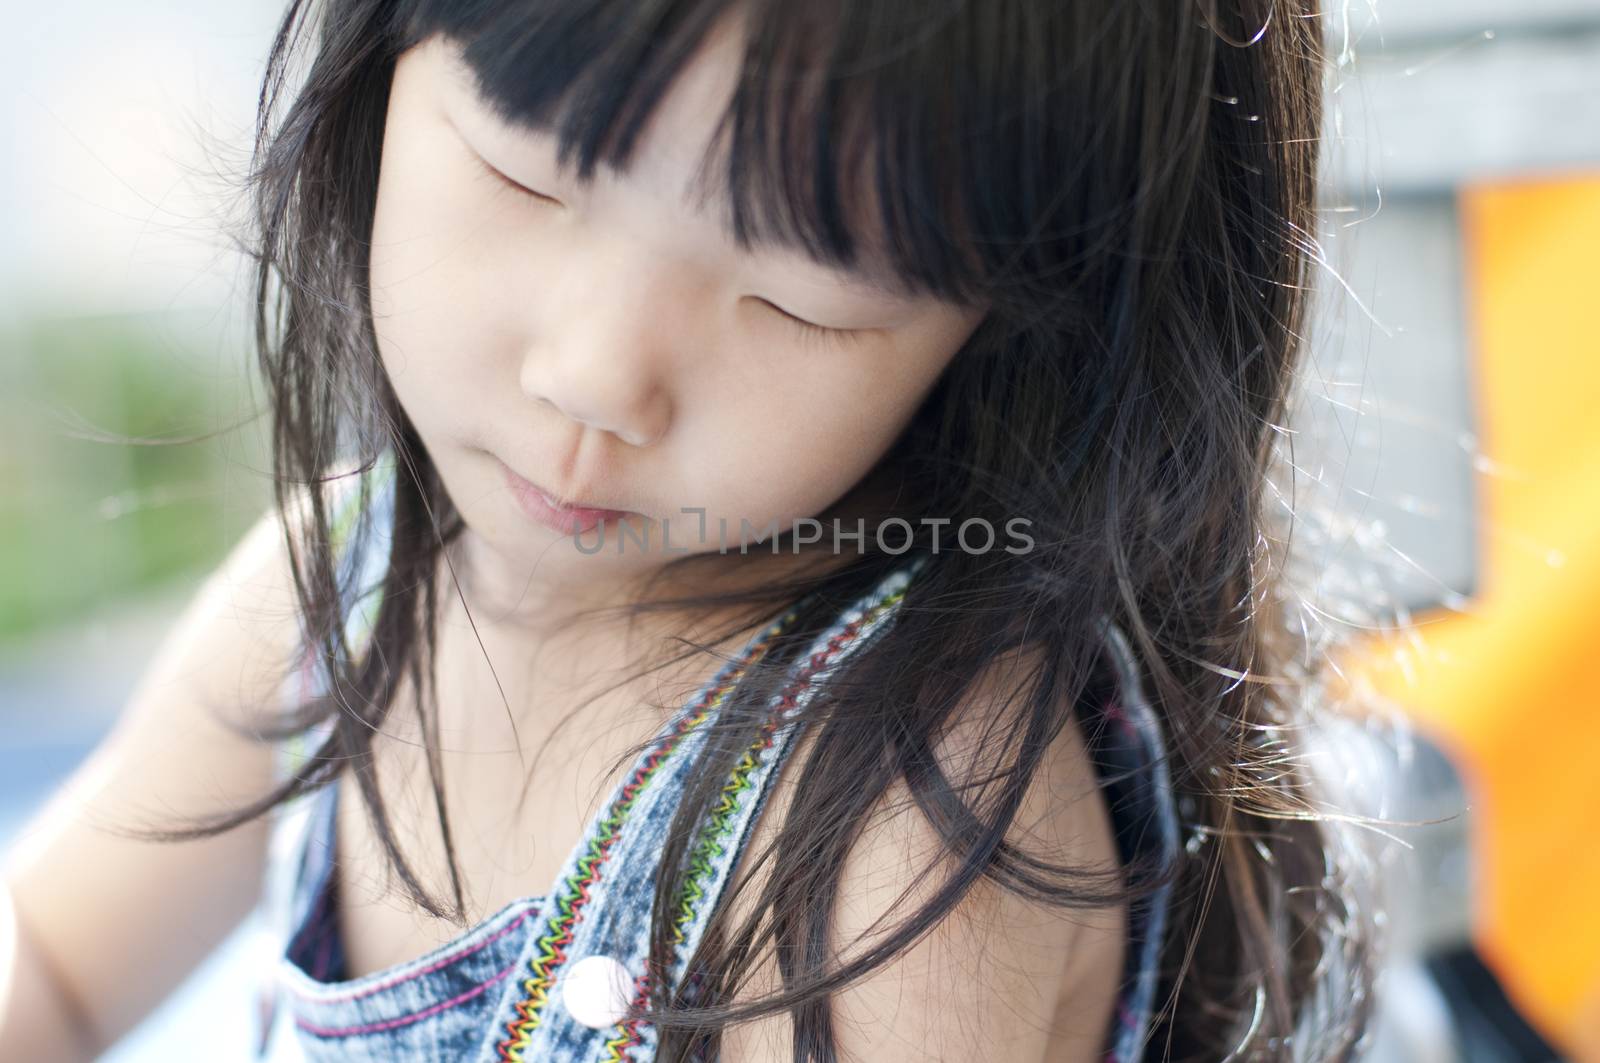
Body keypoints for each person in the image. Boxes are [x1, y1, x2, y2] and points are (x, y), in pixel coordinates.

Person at [0, 1, 1373, 1060]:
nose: (596, 376)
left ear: (1008, 325)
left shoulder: (906, 823)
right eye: (526, 176)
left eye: (800, 299)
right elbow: (50, 967)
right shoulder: (336, 602)